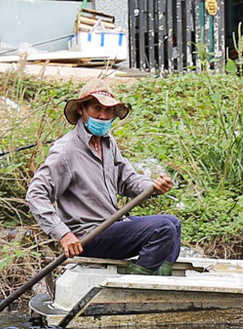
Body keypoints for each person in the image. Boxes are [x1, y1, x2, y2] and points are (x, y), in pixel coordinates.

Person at [26, 80, 179, 275]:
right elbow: (36, 194)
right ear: (82, 109)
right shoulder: (67, 150)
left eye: (108, 111)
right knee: (163, 228)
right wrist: (63, 234)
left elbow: (128, 180)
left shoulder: (108, 144)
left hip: (111, 226)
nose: (103, 116)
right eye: (97, 108)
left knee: (173, 223)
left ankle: (160, 282)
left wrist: (153, 186)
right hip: (88, 236)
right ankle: (131, 288)